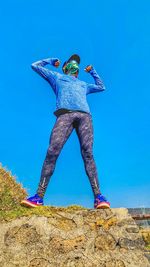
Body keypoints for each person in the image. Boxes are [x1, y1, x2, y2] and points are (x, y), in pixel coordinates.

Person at [21, 54, 110, 209]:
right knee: (52, 151)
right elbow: (35, 66)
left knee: (88, 152)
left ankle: (99, 197)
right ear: (65, 67)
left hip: (85, 117)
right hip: (65, 115)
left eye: (76, 63)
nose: (75, 64)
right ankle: (38, 197)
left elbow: (101, 86)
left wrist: (93, 72)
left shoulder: (83, 84)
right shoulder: (57, 77)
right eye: (72, 62)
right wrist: (50, 61)